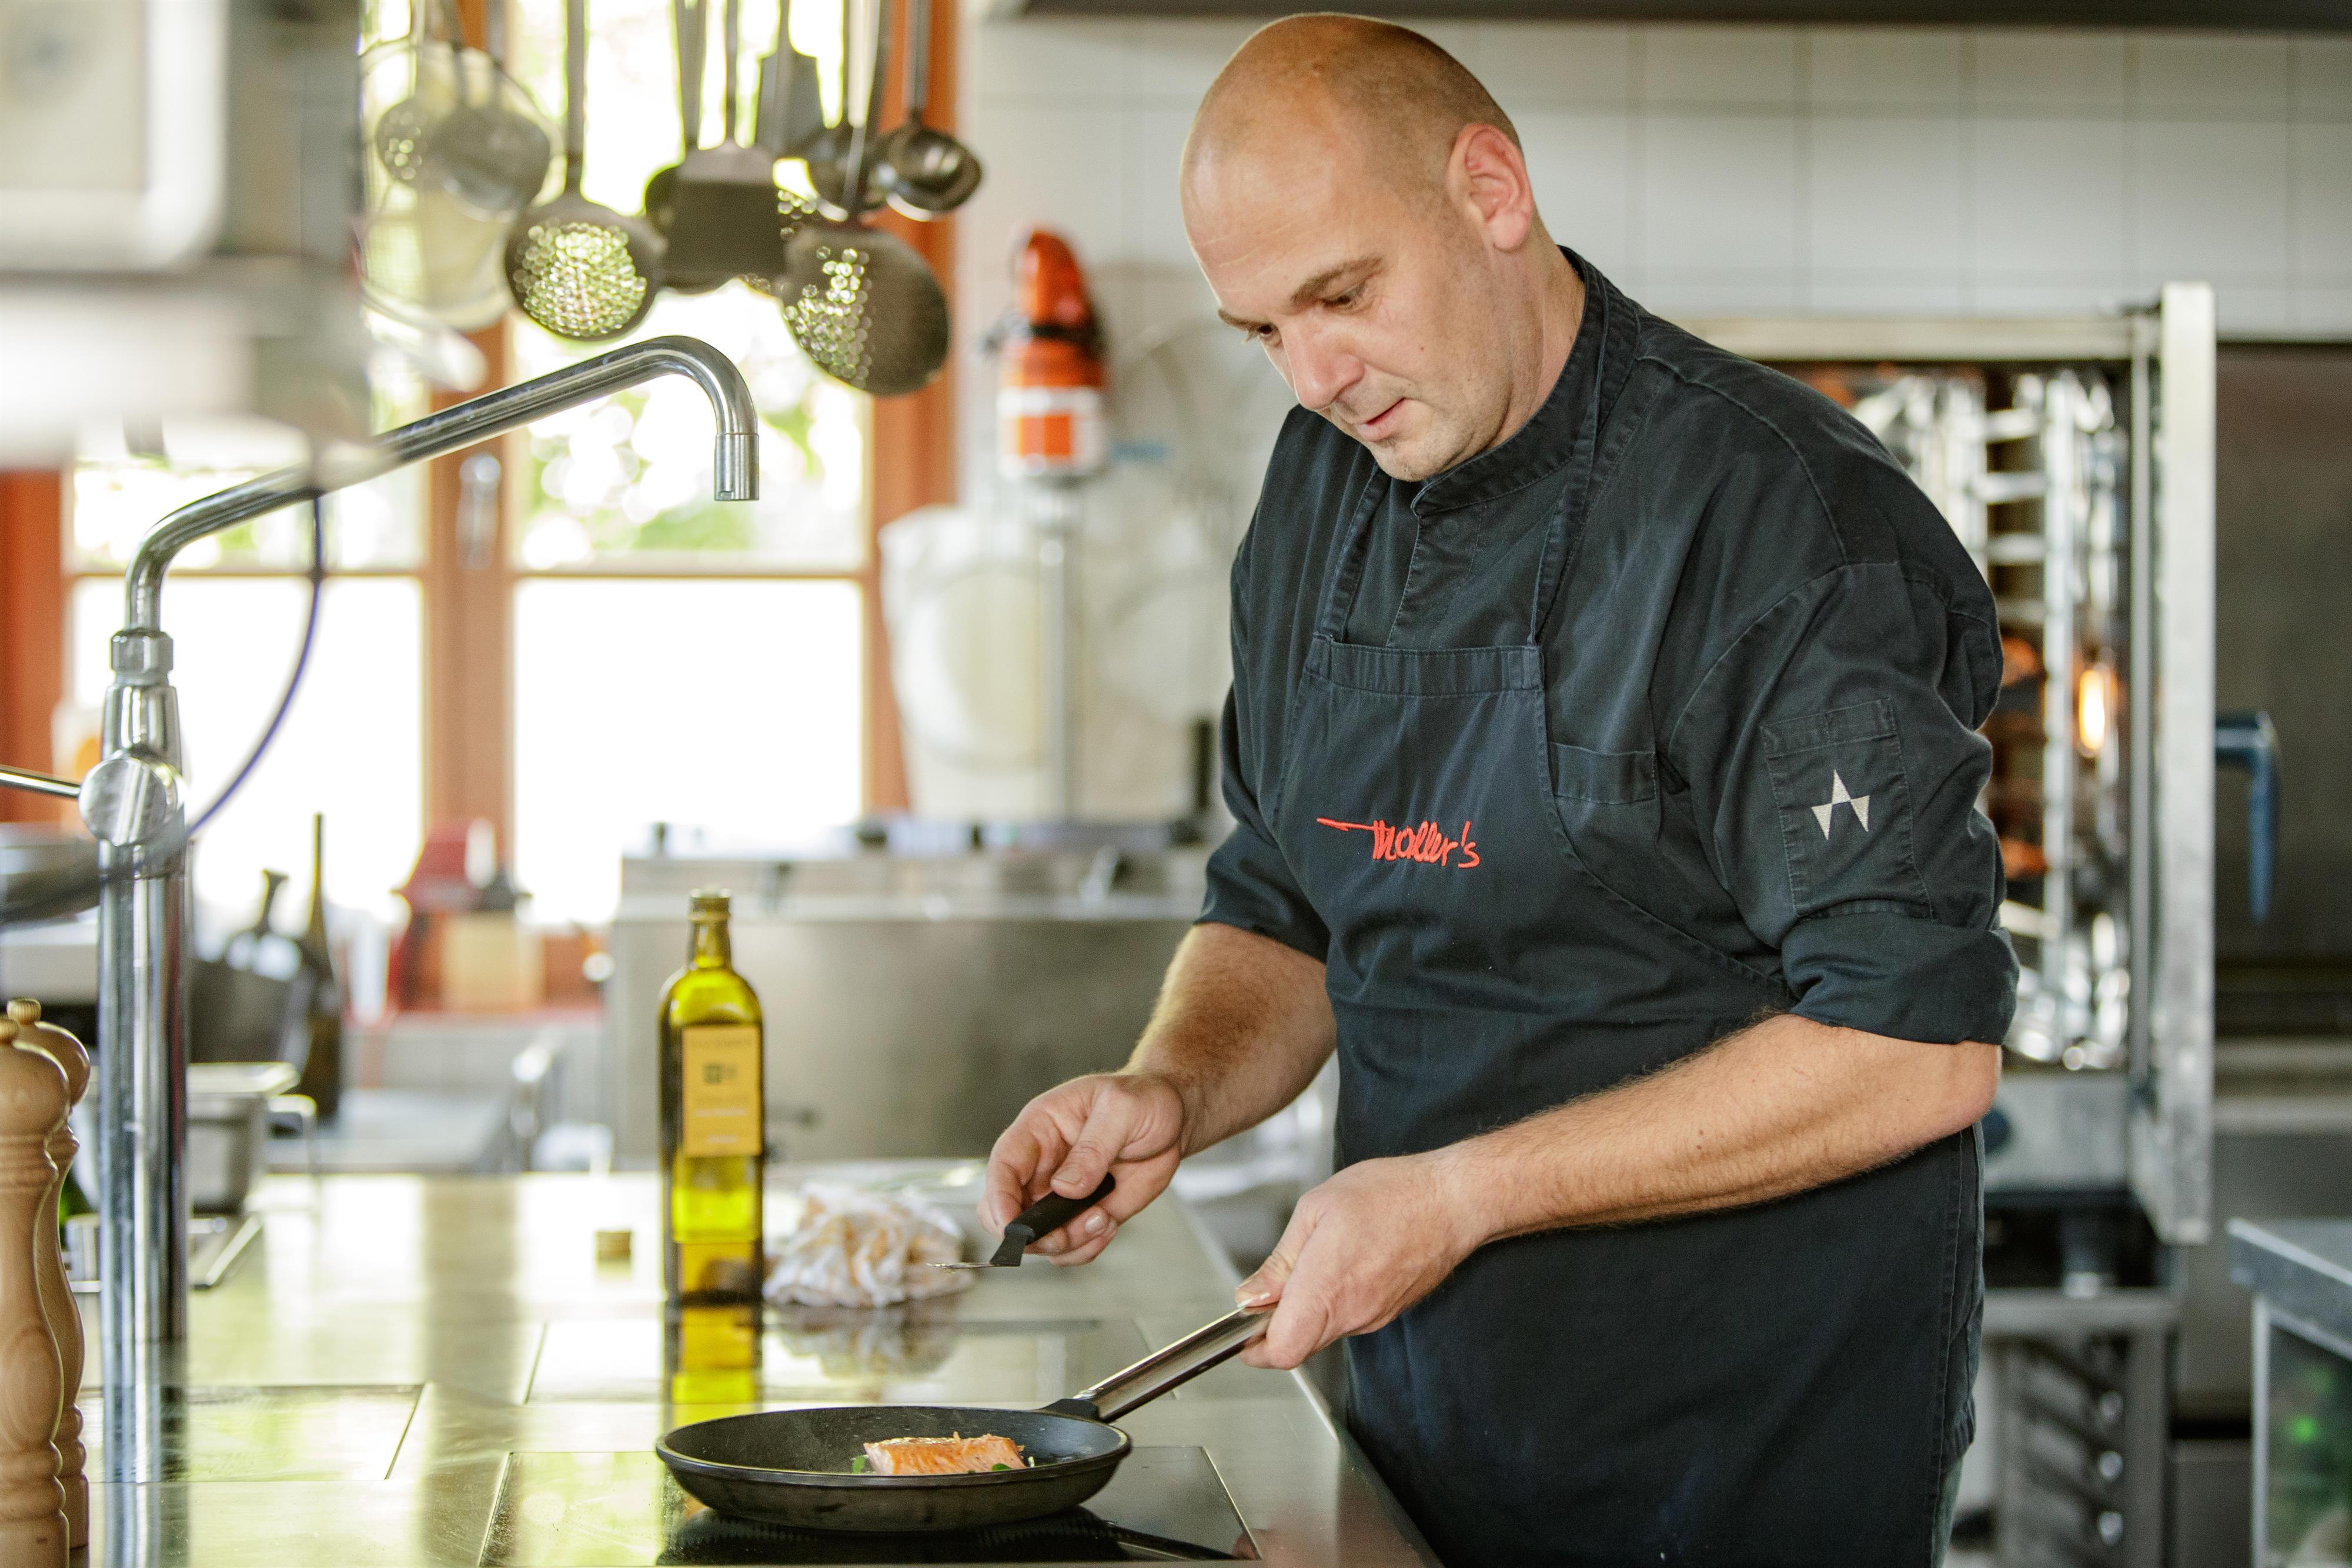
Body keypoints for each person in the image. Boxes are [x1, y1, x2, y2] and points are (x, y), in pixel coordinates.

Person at [982, 15, 2017, 1565]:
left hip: (1743, 1470)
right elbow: (1285, 892)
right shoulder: (1322, 486)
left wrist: (1461, 1197)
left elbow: (1912, 1047)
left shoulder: (1788, 526)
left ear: (1491, 191)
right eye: (1264, 330)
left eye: (1344, 294)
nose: (1317, 377)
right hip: (1419, 1445)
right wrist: (1173, 1089)